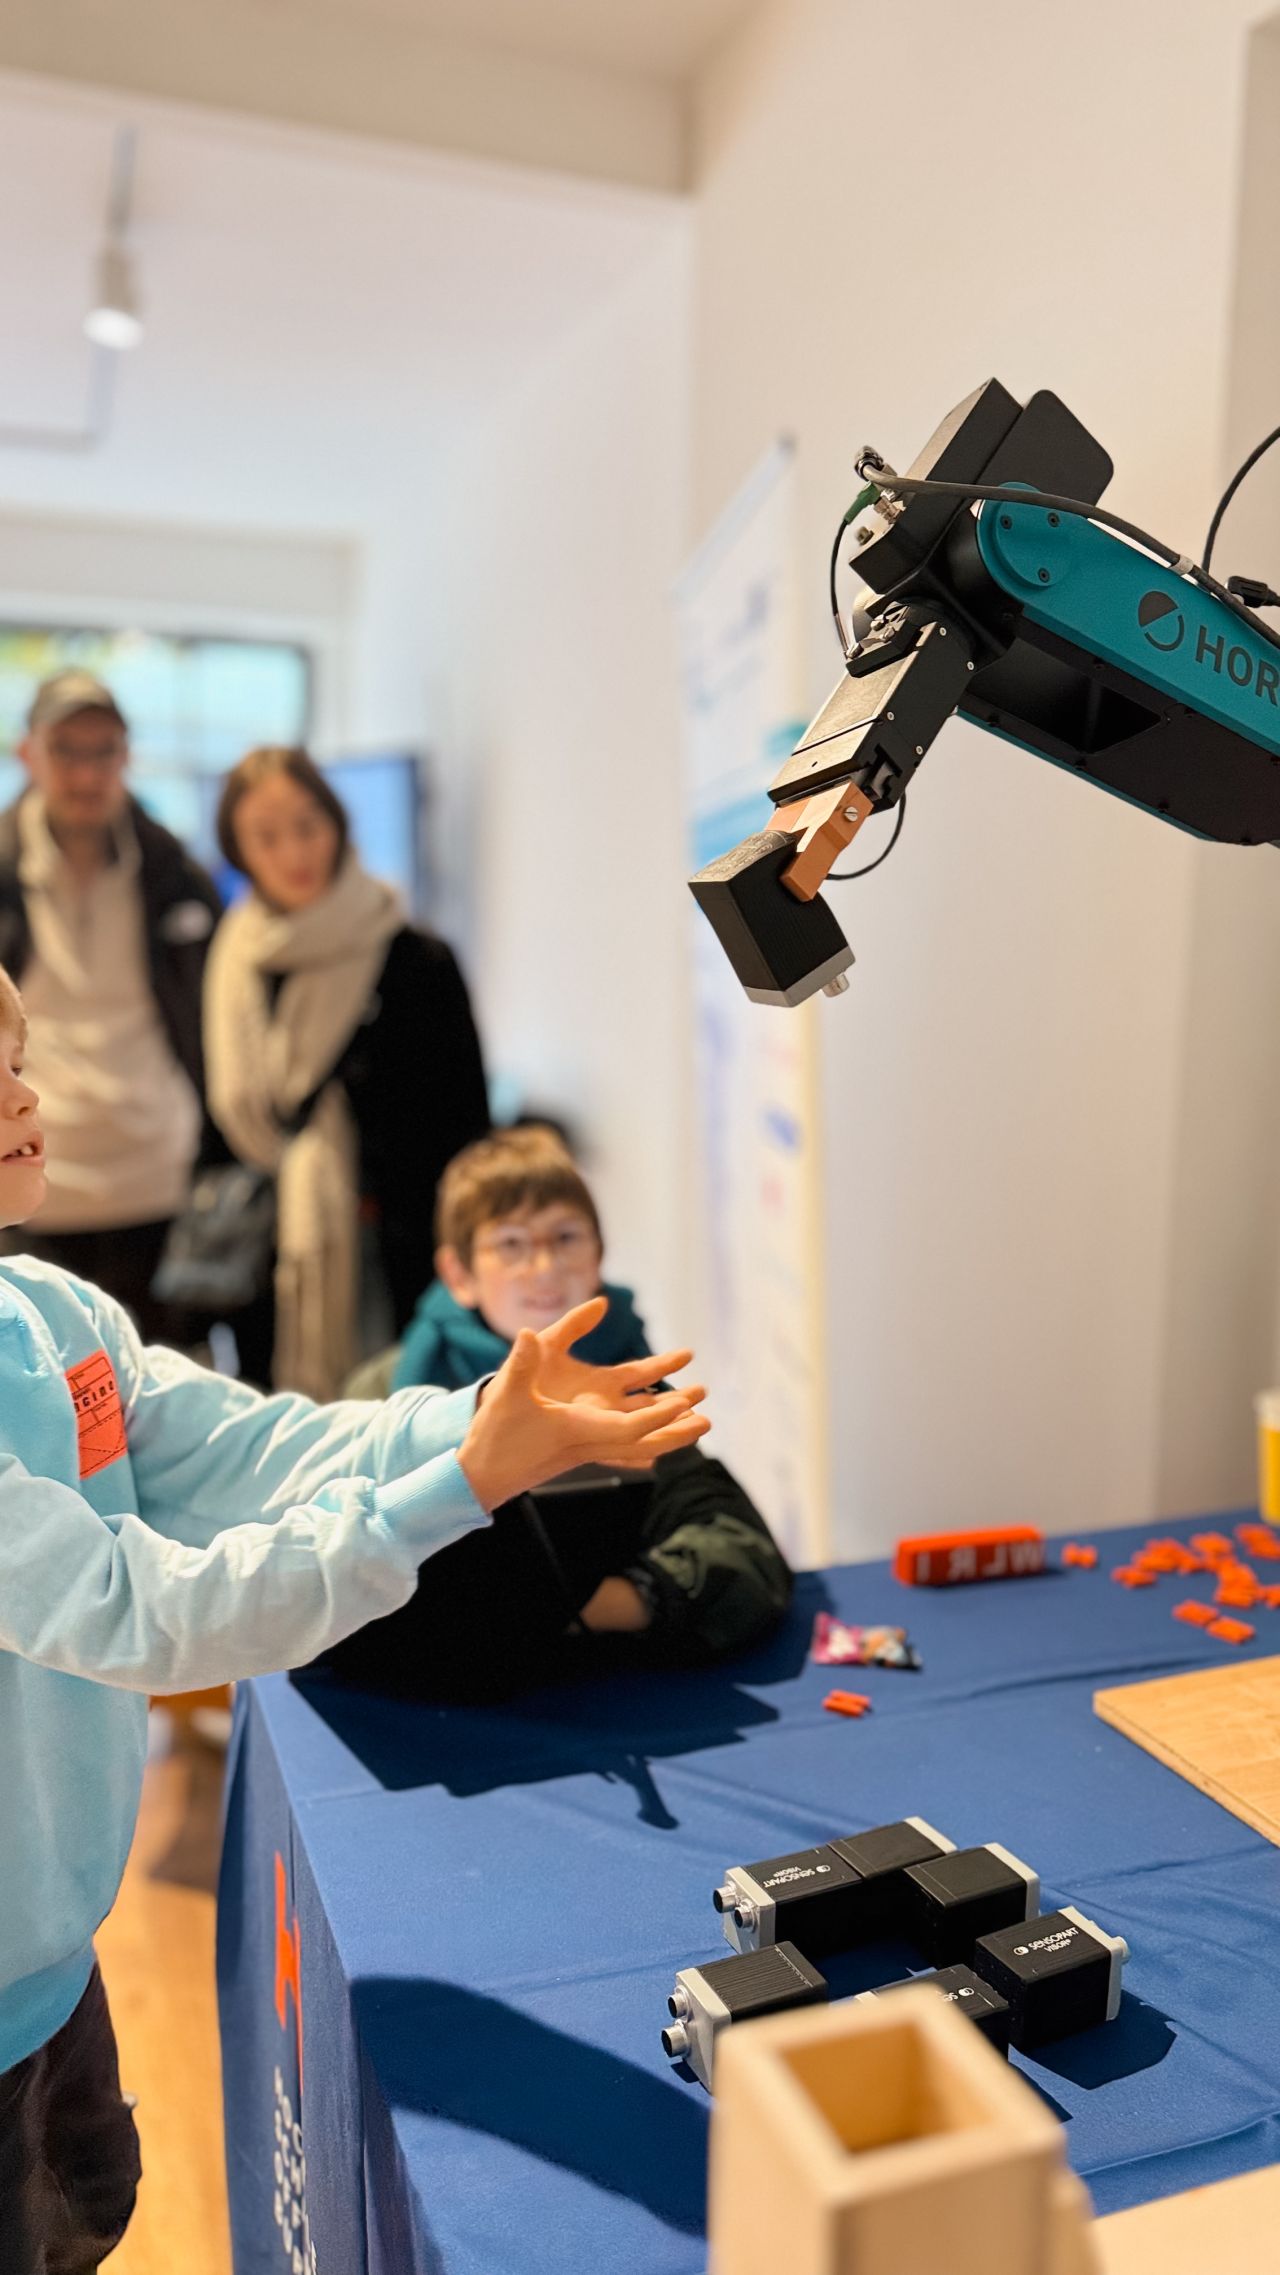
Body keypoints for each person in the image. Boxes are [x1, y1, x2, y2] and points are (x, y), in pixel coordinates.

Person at [0, 960, 707, 2273]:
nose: (25, 1095)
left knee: (86, 2219)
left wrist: (478, 1420)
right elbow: (148, 1609)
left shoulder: (55, 1314)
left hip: (53, 1967)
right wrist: (464, 1483)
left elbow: (260, 1450)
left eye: (19, 1059)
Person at [314, 1127, 792, 1701]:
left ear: (598, 1257)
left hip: (597, 1688)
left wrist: (586, 1604)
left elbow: (742, 1554)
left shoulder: (627, 1386)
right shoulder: (386, 1391)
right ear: (460, 1274)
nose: (544, 1267)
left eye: (566, 1237)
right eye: (511, 1244)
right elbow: (330, 1559)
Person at [204, 745, 488, 1397]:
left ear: (336, 824)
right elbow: (218, 1120)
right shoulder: (232, 963)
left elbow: (465, 1126)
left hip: (397, 1254)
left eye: (308, 825)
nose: (293, 852)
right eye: (266, 836)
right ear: (238, 851)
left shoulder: (417, 959)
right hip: (268, 1256)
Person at [0, 670, 222, 1339]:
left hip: (157, 1174)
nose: (87, 773)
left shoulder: (174, 872)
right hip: (32, 1179)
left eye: (105, 752)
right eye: (67, 749)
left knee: (157, 1386)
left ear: (126, 757)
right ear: (28, 754)